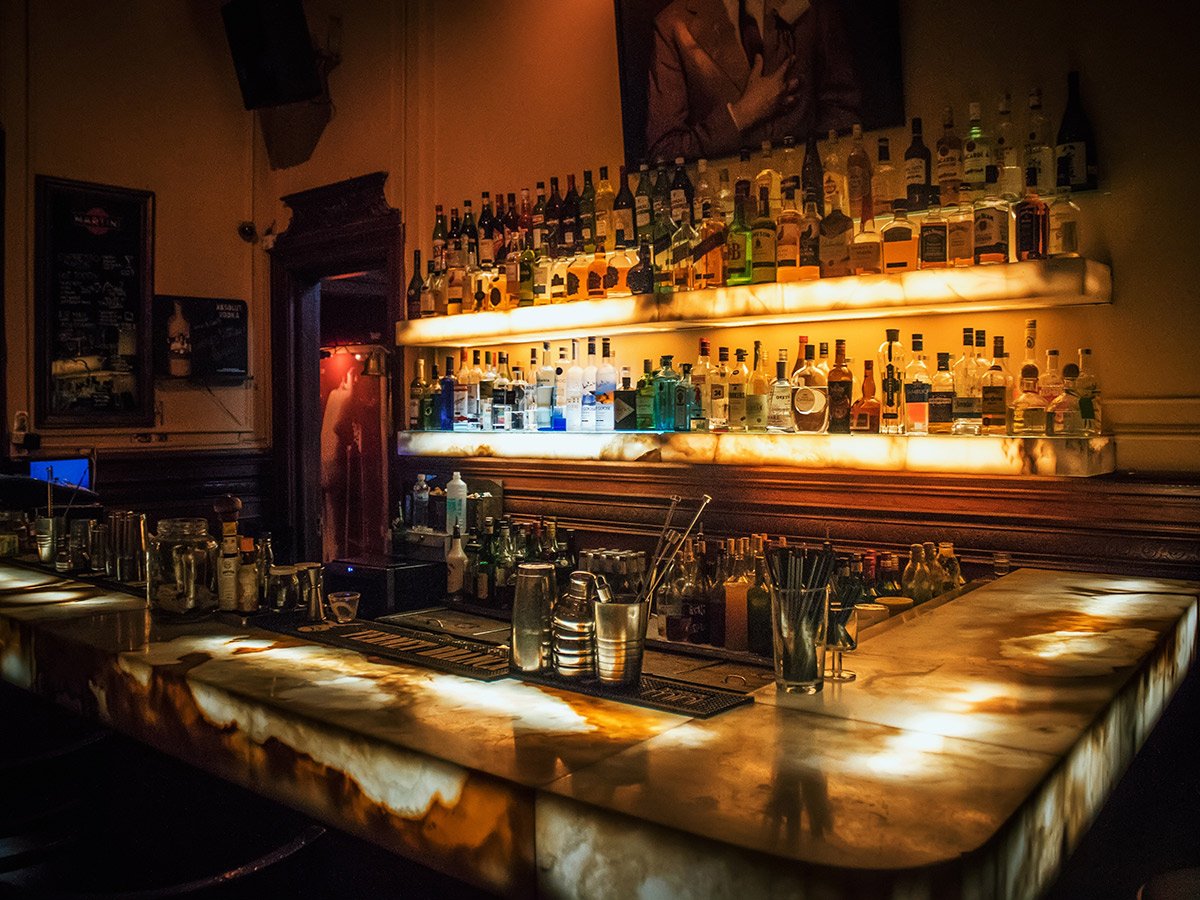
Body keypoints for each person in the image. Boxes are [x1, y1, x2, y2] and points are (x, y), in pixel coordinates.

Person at [645, 0, 861, 161]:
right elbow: (664, 151)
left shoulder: (810, 5)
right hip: (728, 204)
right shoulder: (673, 24)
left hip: (810, 196)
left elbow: (842, 105)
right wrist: (740, 116)